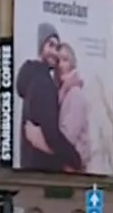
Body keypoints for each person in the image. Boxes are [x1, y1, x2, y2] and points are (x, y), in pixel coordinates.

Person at [16, 23, 82, 172]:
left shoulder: (33, 78)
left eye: (57, 48)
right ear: (41, 47)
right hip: (43, 171)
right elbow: (51, 135)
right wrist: (75, 158)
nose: (54, 52)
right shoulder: (43, 82)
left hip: (31, 167)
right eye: (50, 45)